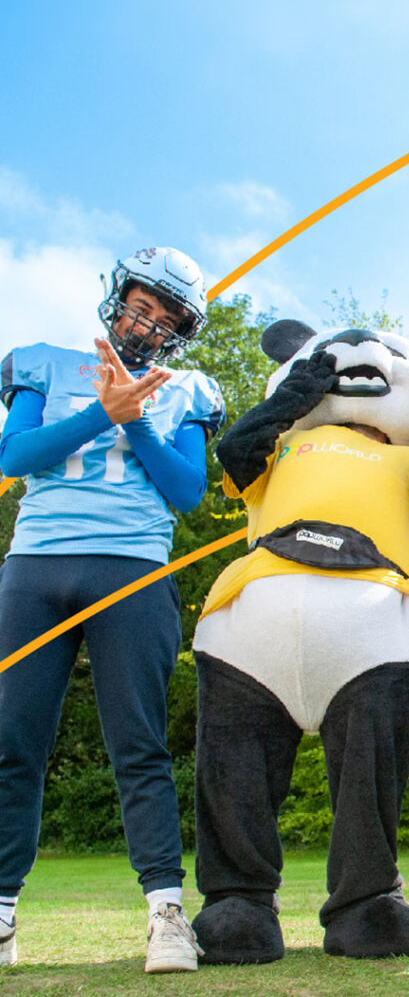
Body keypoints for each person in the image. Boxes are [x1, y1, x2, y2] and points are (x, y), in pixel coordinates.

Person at [0, 247, 224, 972]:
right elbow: (17, 456)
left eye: (165, 318)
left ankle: (164, 912)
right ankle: (1, 913)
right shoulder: (45, 362)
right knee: (13, 745)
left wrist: (136, 419)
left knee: (140, 745)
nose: (146, 322)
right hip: (35, 567)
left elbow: (187, 491)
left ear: (178, 332)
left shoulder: (185, 387)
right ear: (118, 296)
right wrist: (104, 408)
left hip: (132, 568)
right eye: (141, 304)